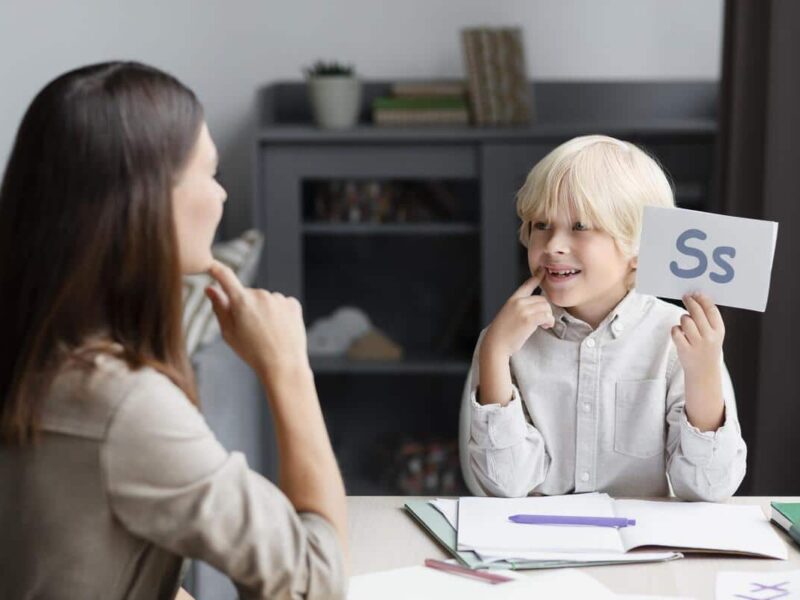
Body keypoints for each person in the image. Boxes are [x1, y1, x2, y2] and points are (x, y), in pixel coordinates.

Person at [0, 61, 347, 600]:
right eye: (208, 173)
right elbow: (315, 585)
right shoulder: (122, 404)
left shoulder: (36, 360)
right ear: (146, 201)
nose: (222, 196)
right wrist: (288, 369)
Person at [464, 135, 747, 501]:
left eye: (581, 227)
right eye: (540, 225)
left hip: (647, 548)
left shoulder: (679, 341)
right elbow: (504, 485)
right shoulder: (506, 339)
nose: (552, 246)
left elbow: (709, 488)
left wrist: (704, 373)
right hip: (539, 545)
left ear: (639, 246)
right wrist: (494, 354)